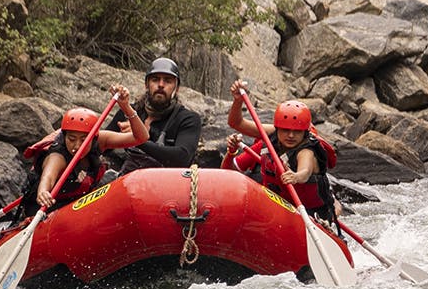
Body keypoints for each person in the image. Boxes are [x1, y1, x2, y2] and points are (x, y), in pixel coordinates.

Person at [223, 79, 340, 223]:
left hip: (310, 216)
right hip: (277, 209)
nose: (290, 135)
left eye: (296, 132)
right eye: (286, 130)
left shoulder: (307, 151)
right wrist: (238, 101)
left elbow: (305, 171)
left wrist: (296, 177)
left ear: (304, 133)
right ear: (278, 128)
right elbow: (236, 123)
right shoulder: (270, 137)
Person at [25, 84, 147, 213]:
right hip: (47, 208)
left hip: (77, 204)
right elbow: (48, 177)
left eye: (84, 140)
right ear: (64, 136)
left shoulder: (100, 140)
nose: (77, 146)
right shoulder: (57, 156)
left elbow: (141, 137)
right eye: (71, 139)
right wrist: (43, 192)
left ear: (94, 138)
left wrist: (126, 107)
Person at [111, 56, 203, 175]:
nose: (160, 85)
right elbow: (100, 146)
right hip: (126, 180)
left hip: (166, 184)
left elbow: (182, 157)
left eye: (167, 81)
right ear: (146, 84)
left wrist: (138, 139)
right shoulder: (128, 112)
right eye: (155, 79)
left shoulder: (187, 119)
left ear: (177, 88)